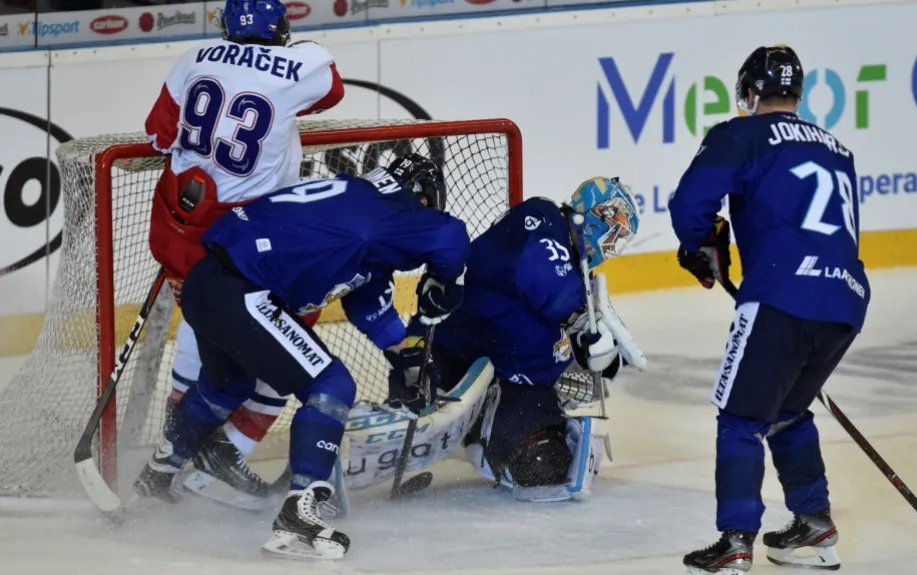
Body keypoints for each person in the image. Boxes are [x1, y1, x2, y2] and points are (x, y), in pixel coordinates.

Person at [132, 153, 470, 561]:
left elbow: (366, 297)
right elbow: (451, 235)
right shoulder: (392, 207)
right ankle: (299, 515)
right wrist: (446, 281)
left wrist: (402, 352)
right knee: (332, 385)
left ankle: (156, 477)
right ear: (423, 197)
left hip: (206, 283)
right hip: (243, 289)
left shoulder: (359, 204)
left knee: (227, 385)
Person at [669, 45, 870, 574]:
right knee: (785, 410)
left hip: (784, 293)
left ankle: (736, 541)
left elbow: (691, 203)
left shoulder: (741, 133)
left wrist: (702, 245)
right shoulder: (838, 148)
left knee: (741, 417)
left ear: (750, 92)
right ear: (797, 94)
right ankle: (813, 521)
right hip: (846, 296)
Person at [143, 0, 344, 506]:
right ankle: (223, 451)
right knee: (292, 331)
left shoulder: (192, 57)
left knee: (201, 329)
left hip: (178, 226)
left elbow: (156, 135)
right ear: (281, 27)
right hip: (244, 236)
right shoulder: (301, 64)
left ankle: (172, 458)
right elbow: (332, 90)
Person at [398, 177, 645, 502]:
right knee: (542, 464)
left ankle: (486, 426)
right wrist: (579, 320)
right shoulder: (543, 220)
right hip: (454, 350)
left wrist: (599, 347)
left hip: (498, 363)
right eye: (613, 234)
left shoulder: (570, 255)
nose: (611, 246)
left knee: (547, 468)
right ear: (594, 216)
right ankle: (483, 424)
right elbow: (541, 275)